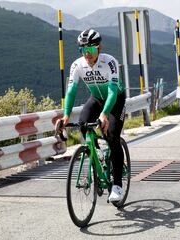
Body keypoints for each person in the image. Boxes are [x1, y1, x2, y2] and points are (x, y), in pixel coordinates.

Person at [58, 29, 126, 202]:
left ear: (99, 48)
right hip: (96, 98)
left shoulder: (110, 62)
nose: (87, 54)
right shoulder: (77, 65)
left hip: (115, 99)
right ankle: (97, 155)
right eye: (83, 50)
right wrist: (66, 116)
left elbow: (112, 91)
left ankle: (117, 184)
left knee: (112, 136)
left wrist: (104, 114)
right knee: (82, 123)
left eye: (91, 50)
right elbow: (71, 91)